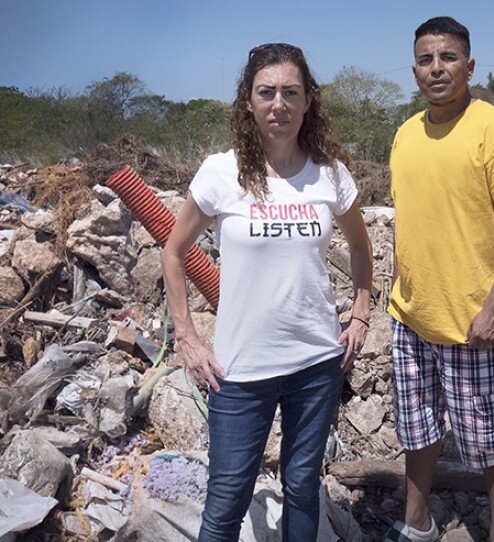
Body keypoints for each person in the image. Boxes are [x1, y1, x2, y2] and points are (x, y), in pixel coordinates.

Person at [161, 43, 372, 542]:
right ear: (248, 102)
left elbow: (362, 247)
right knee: (227, 498)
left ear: (308, 102)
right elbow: (173, 252)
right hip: (240, 370)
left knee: (302, 486)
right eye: (267, 92)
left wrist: (361, 312)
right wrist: (187, 337)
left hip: (317, 363)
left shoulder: (330, 174)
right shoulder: (221, 172)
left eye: (290, 93)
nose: (279, 104)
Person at [385, 16, 494, 542]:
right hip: (410, 316)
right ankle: (416, 521)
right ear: (414, 70)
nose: (437, 69)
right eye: (426, 60)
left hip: (474, 321)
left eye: (448, 58)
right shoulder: (405, 135)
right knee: (417, 429)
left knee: (490, 441)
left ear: (469, 66)